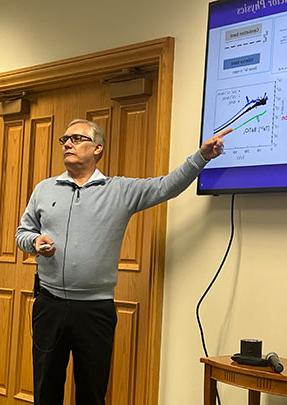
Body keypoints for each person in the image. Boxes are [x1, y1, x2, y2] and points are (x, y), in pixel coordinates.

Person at [15, 118, 231, 405]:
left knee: (92, 392)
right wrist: (34, 242)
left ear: (98, 149)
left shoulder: (120, 190)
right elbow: (23, 232)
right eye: (65, 139)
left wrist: (201, 156)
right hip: (49, 305)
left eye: (77, 138)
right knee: (45, 388)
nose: (67, 143)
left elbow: (167, 186)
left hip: (94, 310)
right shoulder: (44, 189)